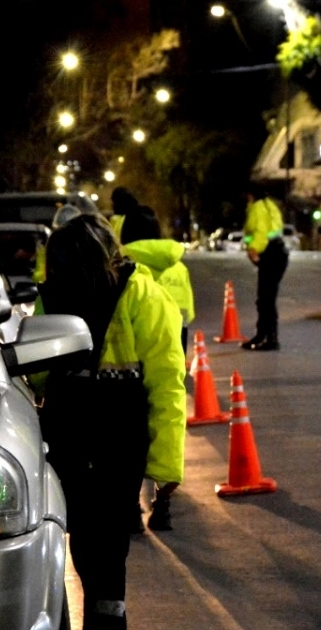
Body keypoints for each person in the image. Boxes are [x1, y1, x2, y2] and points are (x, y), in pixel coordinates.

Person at [37, 214, 186, 630]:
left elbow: (167, 385)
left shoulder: (142, 298)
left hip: (110, 453)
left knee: (103, 565)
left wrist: (165, 466)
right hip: (72, 448)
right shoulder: (58, 297)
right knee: (88, 561)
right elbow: (36, 372)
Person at [118, 207, 195, 533]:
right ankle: (162, 505)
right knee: (167, 418)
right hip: (173, 342)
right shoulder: (177, 266)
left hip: (133, 350)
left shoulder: (122, 268)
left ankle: (133, 506)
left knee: (132, 430)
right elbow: (188, 311)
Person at [240, 182, 289, 351]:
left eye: (246, 195)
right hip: (278, 253)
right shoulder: (270, 206)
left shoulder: (258, 208)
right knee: (265, 298)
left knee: (266, 299)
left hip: (270, 254)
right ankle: (262, 335)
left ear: (250, 194)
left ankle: (271, 339)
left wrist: (253, 249)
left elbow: (260, 233)